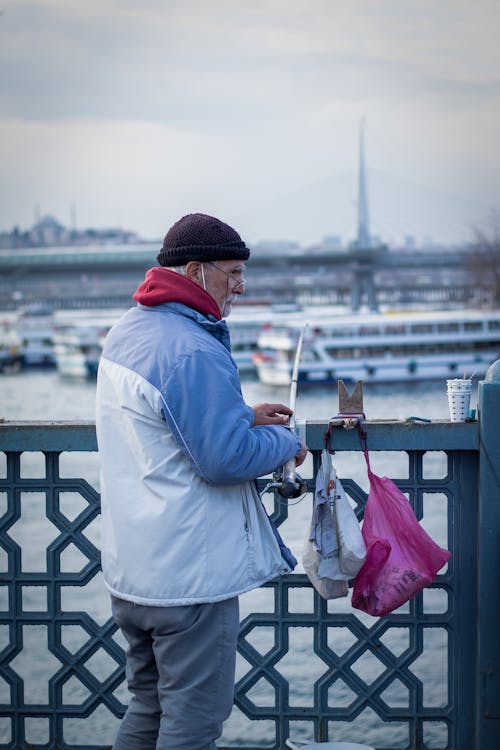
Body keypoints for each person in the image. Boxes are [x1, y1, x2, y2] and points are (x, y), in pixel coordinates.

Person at [95, 212, 308, 750]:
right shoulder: (190, 348)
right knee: (193, 722)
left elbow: (168, 426)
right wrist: (289, 442)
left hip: (134, 572)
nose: (241, 284)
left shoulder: (129, 331)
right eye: (232, 272)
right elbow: (225, 459)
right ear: (194, 271)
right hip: (189, 577)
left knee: (148, 708)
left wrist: (238, 413)